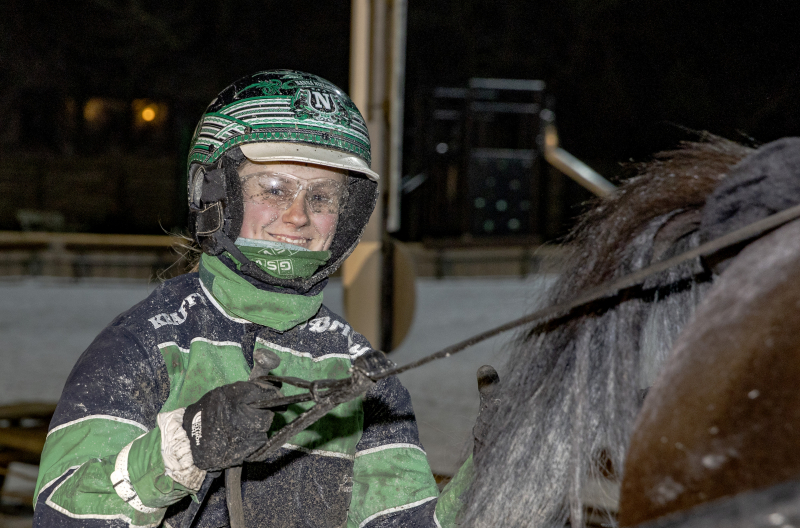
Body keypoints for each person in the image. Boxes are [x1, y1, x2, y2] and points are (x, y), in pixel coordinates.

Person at [32, 70, 470, 528]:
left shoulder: (359, 372)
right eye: (274, 189)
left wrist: (491, 475)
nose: (298, 216)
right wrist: (181, 449)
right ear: (215, 192)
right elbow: (62, 514)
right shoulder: (147, 345)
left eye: (322, 197)